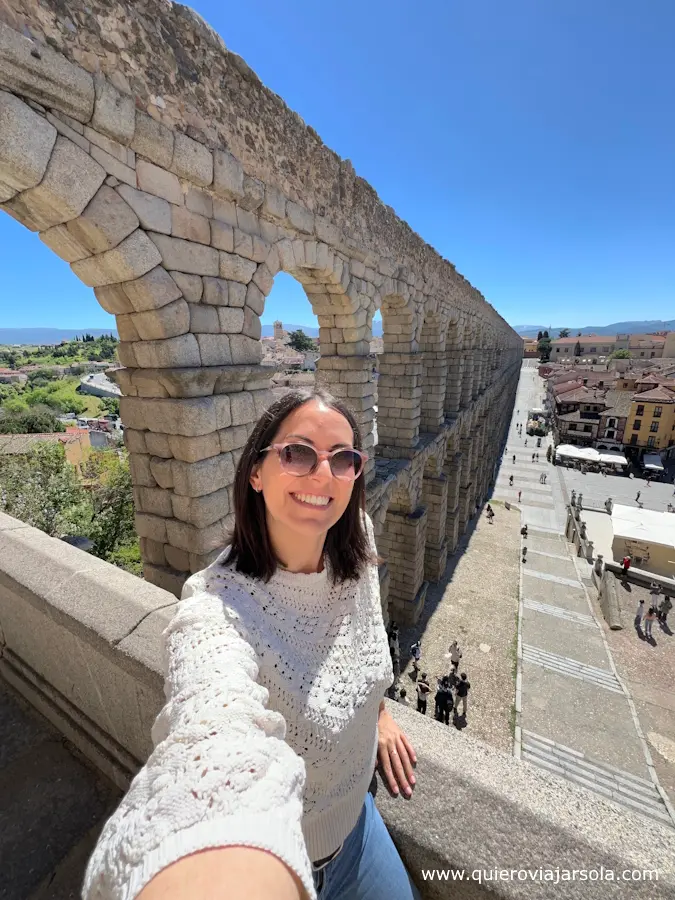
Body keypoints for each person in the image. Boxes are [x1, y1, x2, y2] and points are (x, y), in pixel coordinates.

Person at [82, 388, 420, 900]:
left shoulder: (360, 542)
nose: (322, 474)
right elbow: (210, 722)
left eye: (343, 458)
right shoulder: (215, 610)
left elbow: (357, 650)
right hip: (294, 864)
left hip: (360, 832)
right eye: (298, 453)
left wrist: (377, 711)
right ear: (255, 473)